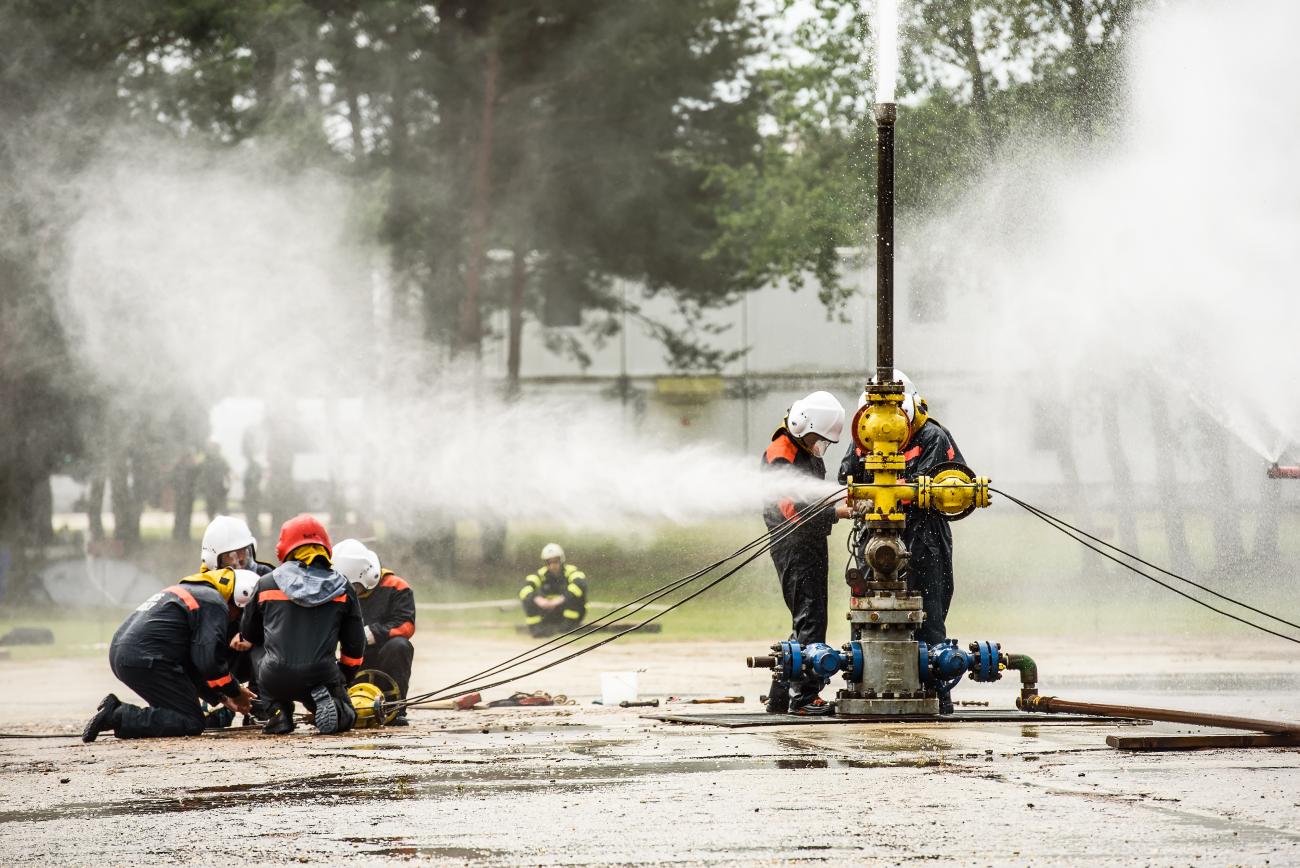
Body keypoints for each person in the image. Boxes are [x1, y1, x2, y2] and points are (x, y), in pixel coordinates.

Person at [839, 370, 965, 714]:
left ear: (907, 411)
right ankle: (863, 683)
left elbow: (936, 486)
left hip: (925, 537)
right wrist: (865, 498)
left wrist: (890, 491)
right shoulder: (867, 432)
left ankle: (938, 690)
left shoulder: (932, 436)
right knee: (867, 612)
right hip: (873, 537)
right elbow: (846, 476)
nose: (885, 434)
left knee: (930, 612)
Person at [82, 565, 256, 741]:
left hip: (126, 654)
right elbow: (209, 662)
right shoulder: (214, 602)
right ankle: (118, 715)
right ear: (241, 596)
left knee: (174, 712)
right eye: (242, 614)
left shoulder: (196, 592)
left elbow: (194, 662)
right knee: (191, 721)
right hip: (147, 658)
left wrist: (222, 697)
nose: (236, 620)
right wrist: (235, 691)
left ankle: (117, 712)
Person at [760, 390, 852, 716]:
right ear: (803, 424)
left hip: (810, 543)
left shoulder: (804, 448)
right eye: (817, 438)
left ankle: (780, 696)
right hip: (793, 546)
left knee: (807, 619)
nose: (820, 446)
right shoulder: (781, 452)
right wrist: (836, 512)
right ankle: (804, 698)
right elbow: (790, 506)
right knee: (811, 617)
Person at [238, 514, 366, 735]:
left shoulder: (267, 583)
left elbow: (248, 633)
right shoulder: (343, 587)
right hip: (321, 674)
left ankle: (278, 712)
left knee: (258, 648)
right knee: (346, 714)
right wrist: (342, 678)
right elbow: (355, 644)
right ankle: (332, 706)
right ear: (325, 546)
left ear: (285, 548)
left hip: (275, 676)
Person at [334, 539, 416, 725]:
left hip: (385, 654)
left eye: (353, 586)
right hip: (352, 659)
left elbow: (406, 625)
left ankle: (396, 709)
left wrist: (372, 633)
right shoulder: (339, 592)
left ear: (367, 576)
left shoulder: (397, 587)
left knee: (400, 646)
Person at [518, 544, 587, 638]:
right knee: (527, 596)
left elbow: (580, 585)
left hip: (569, 611)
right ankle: (536, 628)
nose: (553, 565)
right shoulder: (540, 574)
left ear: (561, 560)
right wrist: (538, 599)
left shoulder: (572, 571)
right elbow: (524, 588)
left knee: (576, 594)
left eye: (556, 561)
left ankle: (569, 626)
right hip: (548, 611)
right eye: (549, 562)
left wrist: (559, 600)